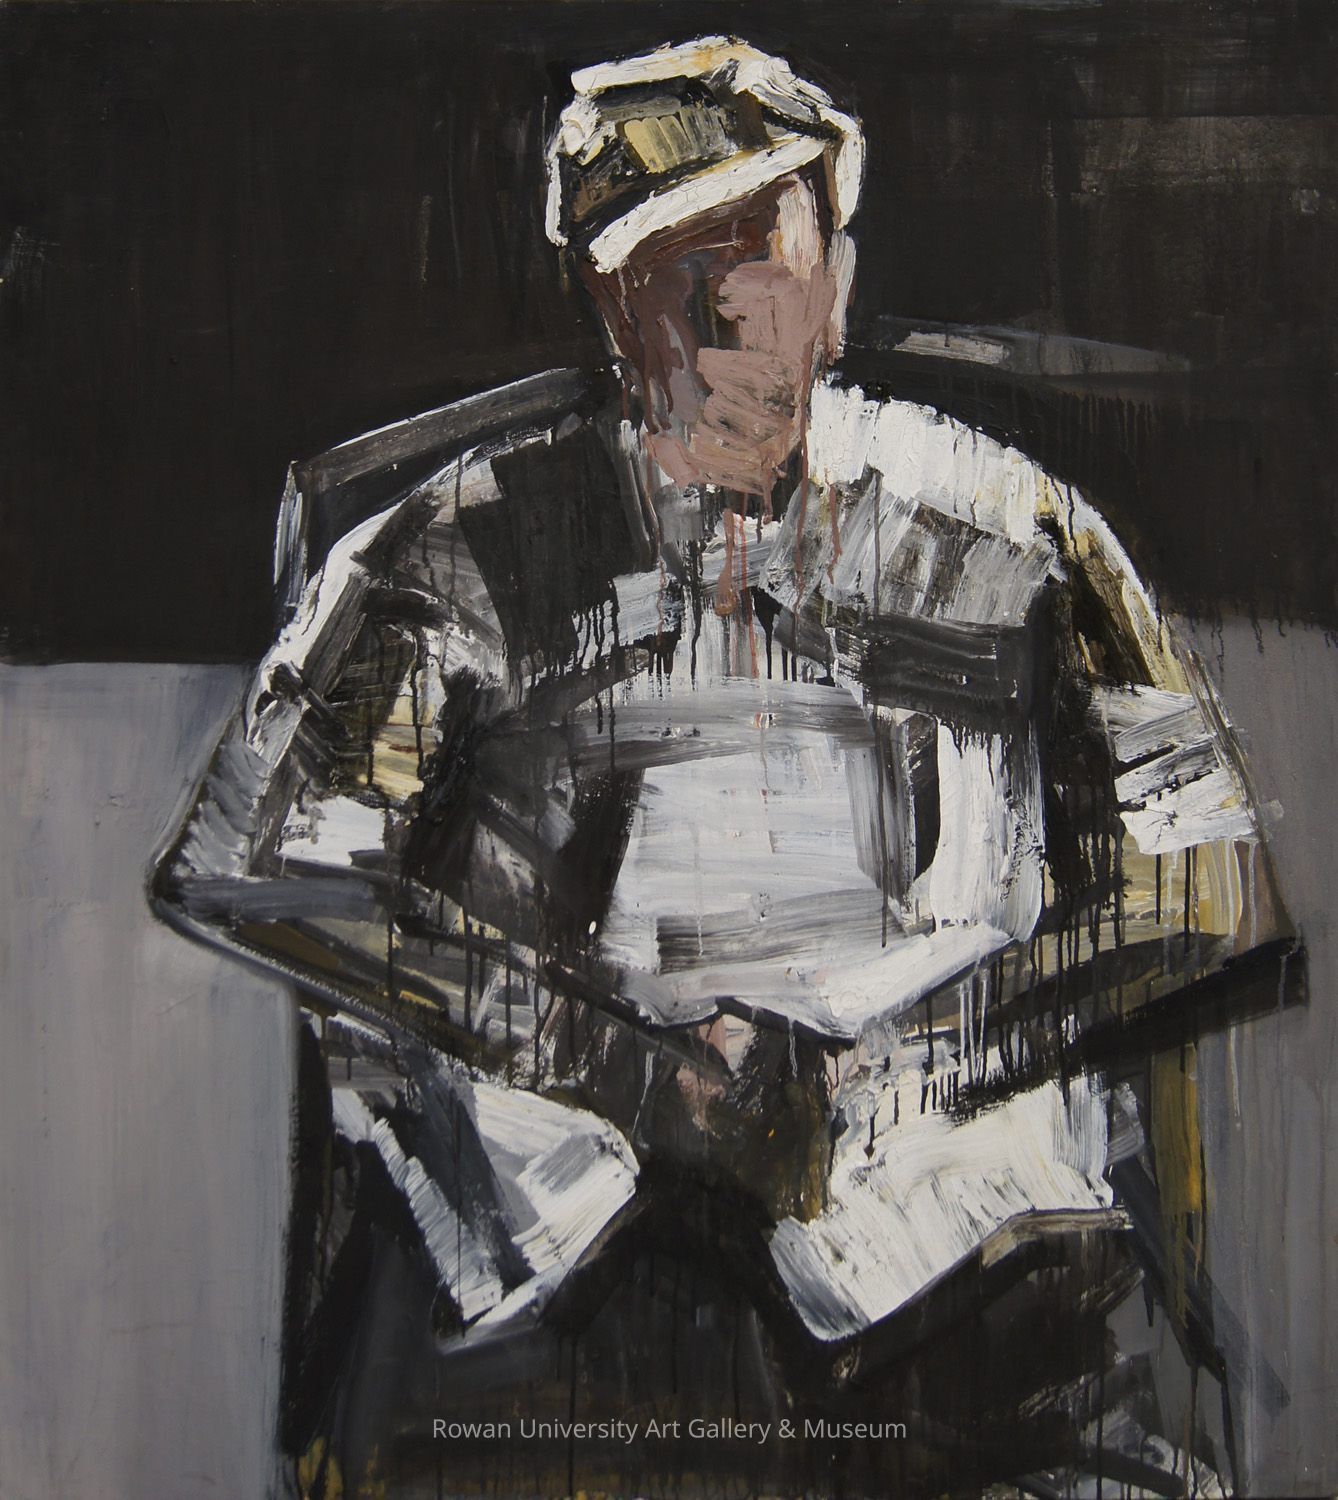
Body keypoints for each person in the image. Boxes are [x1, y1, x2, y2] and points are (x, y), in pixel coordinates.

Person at [156, 37, 1297, 1498]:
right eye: (670, 259)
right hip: (561, 1265)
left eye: (761, 243)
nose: (724, 301)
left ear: (835, 273)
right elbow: (247, 866)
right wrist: (627, 1073)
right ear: (605, 301)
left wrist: (907, 1068)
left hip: (963, 1247)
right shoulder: (464, 548)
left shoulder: (1011, 535)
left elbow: (1209, 882)